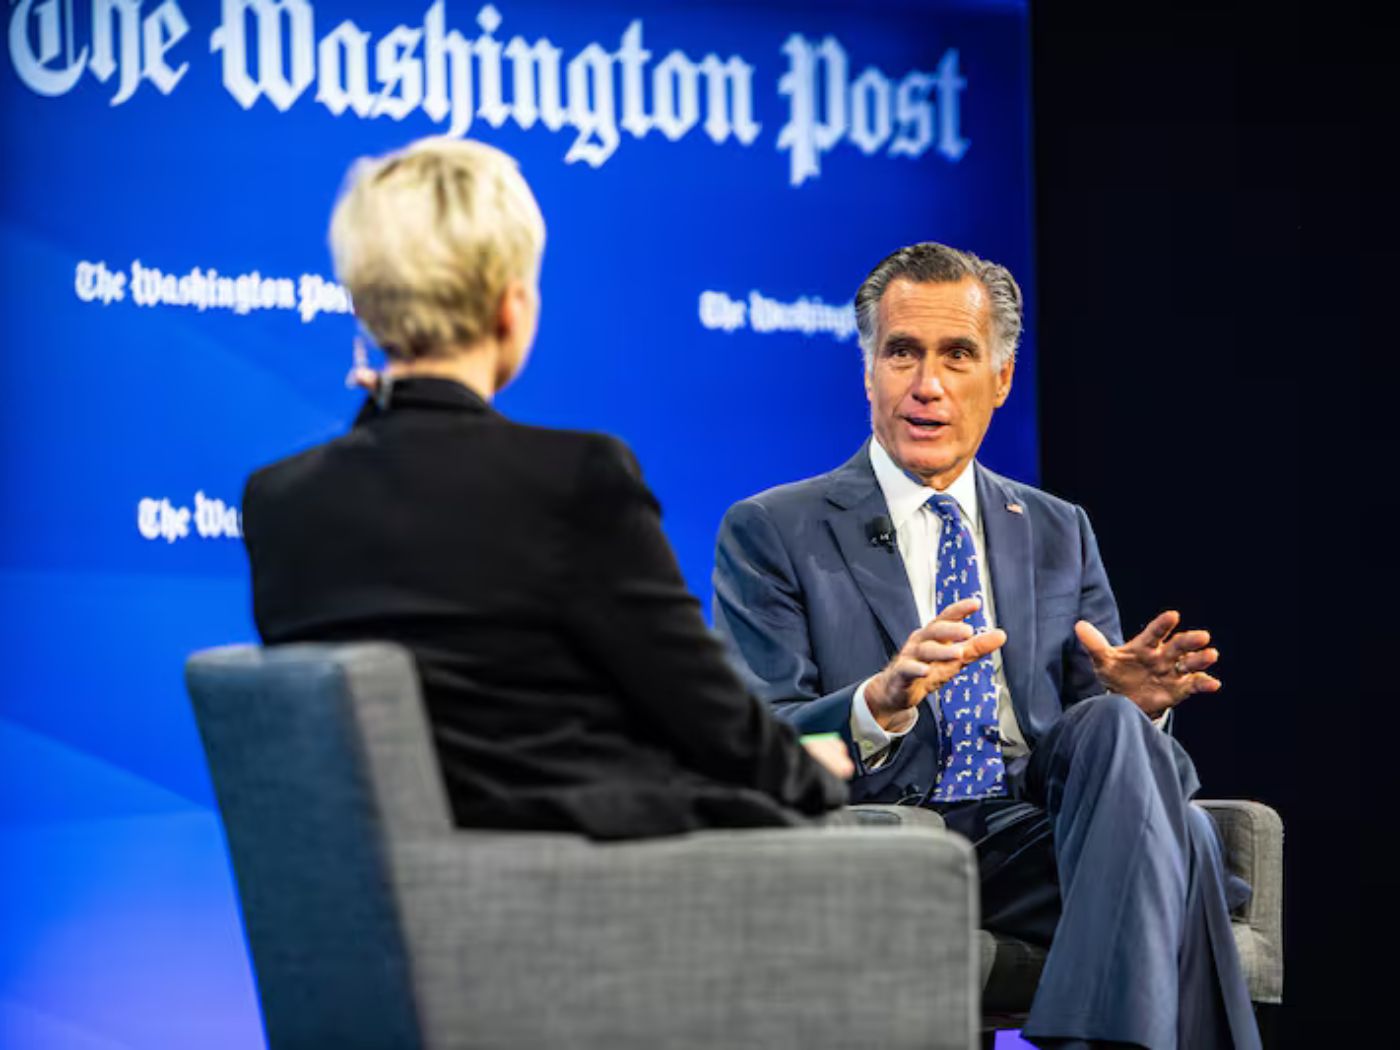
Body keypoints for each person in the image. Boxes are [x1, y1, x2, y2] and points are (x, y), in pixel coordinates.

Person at [712, 242, 1260, 1050]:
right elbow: (760, 744)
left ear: (1000, 380)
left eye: (957, 355)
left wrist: (1135, 708)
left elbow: (1105, 758)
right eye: (902, 353)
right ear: (869, 372)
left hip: (1038, 830)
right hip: (894, 828)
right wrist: (877, 705)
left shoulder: (1055, 528)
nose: (926, 385)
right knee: (1189, 858)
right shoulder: (775, 530)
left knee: (1112, 731)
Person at [242, 136, 851, 840]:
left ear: (369, 309)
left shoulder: (277, 501)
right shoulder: (574, 478)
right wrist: (811, 770)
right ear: (512, 306)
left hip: (389, 898)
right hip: (582, 889)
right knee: (902, 847)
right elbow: (710, 718)